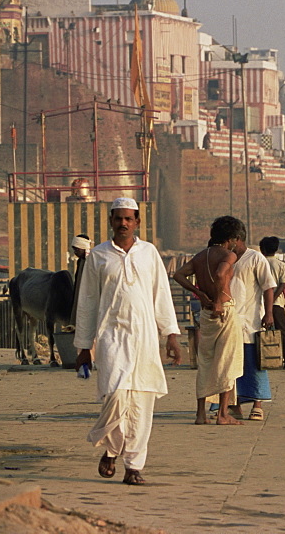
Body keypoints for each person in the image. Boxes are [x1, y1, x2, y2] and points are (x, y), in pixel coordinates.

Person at [74, 197, 181, 486]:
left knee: (142, 403)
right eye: (118, 218)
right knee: (116, 395)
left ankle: (133, 466)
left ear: (137, 222)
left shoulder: (149, 253)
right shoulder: (98, 256)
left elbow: (161, 295)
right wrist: (85, 346)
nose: (123, 223)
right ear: (111, 221)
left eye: (128, 219)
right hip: (111, 336)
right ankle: (111, 447)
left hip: (145, 338)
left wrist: (170, 335)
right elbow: (87, 303)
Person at [172, 216, 242, 425]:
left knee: (205, 362)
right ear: (231, 238)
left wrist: (199, 293)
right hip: (224, 311)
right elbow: (221, 273)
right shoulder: (229, 254)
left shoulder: (201, 256)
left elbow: (178, 275)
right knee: (228, 362)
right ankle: (222, 414)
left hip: (205, 312)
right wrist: (219, 300)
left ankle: (201, 414)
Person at [230, 229, 276, 421]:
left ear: (238, 238)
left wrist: (269, 313)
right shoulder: (226, 259)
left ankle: (257, 404)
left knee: (254, 365)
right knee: (232, 365)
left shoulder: (255, 258)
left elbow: (268, 287)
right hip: (230, 322)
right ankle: (235, 404)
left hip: (251, 321)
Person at [259, 236, 285, 372]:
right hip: (277, 304)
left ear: (262, 249)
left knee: (259, 332)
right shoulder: (281, 265)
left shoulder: (259, 263)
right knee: (283, 333)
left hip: (260, 304)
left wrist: (267, 301)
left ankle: (261, 358)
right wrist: (273, 298)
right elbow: (283, 285)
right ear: (277, 249)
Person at [68, 234, 92, 326]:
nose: (75, 252)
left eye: (77, 249)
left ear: (83, 248)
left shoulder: (91, 260)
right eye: (74, 250)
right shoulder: (80, 261)